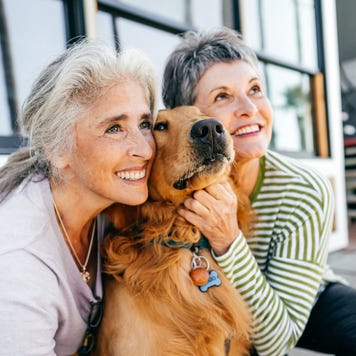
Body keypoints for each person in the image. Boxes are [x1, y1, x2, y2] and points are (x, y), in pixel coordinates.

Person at [162, 27, 356, 356]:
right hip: (207, 303)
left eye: (255, 89)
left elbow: (276, 343)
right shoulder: (166, 187)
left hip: (295, 301)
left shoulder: (304, 190)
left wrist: (228, 239)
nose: (249, 108)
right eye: (222, 96)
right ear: (188, 117)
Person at [0, 40, 157, 355]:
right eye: (114, 128)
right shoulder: (17, 265)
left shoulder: (111, 206)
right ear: (57, 149)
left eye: (144, 123)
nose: (145, 148)